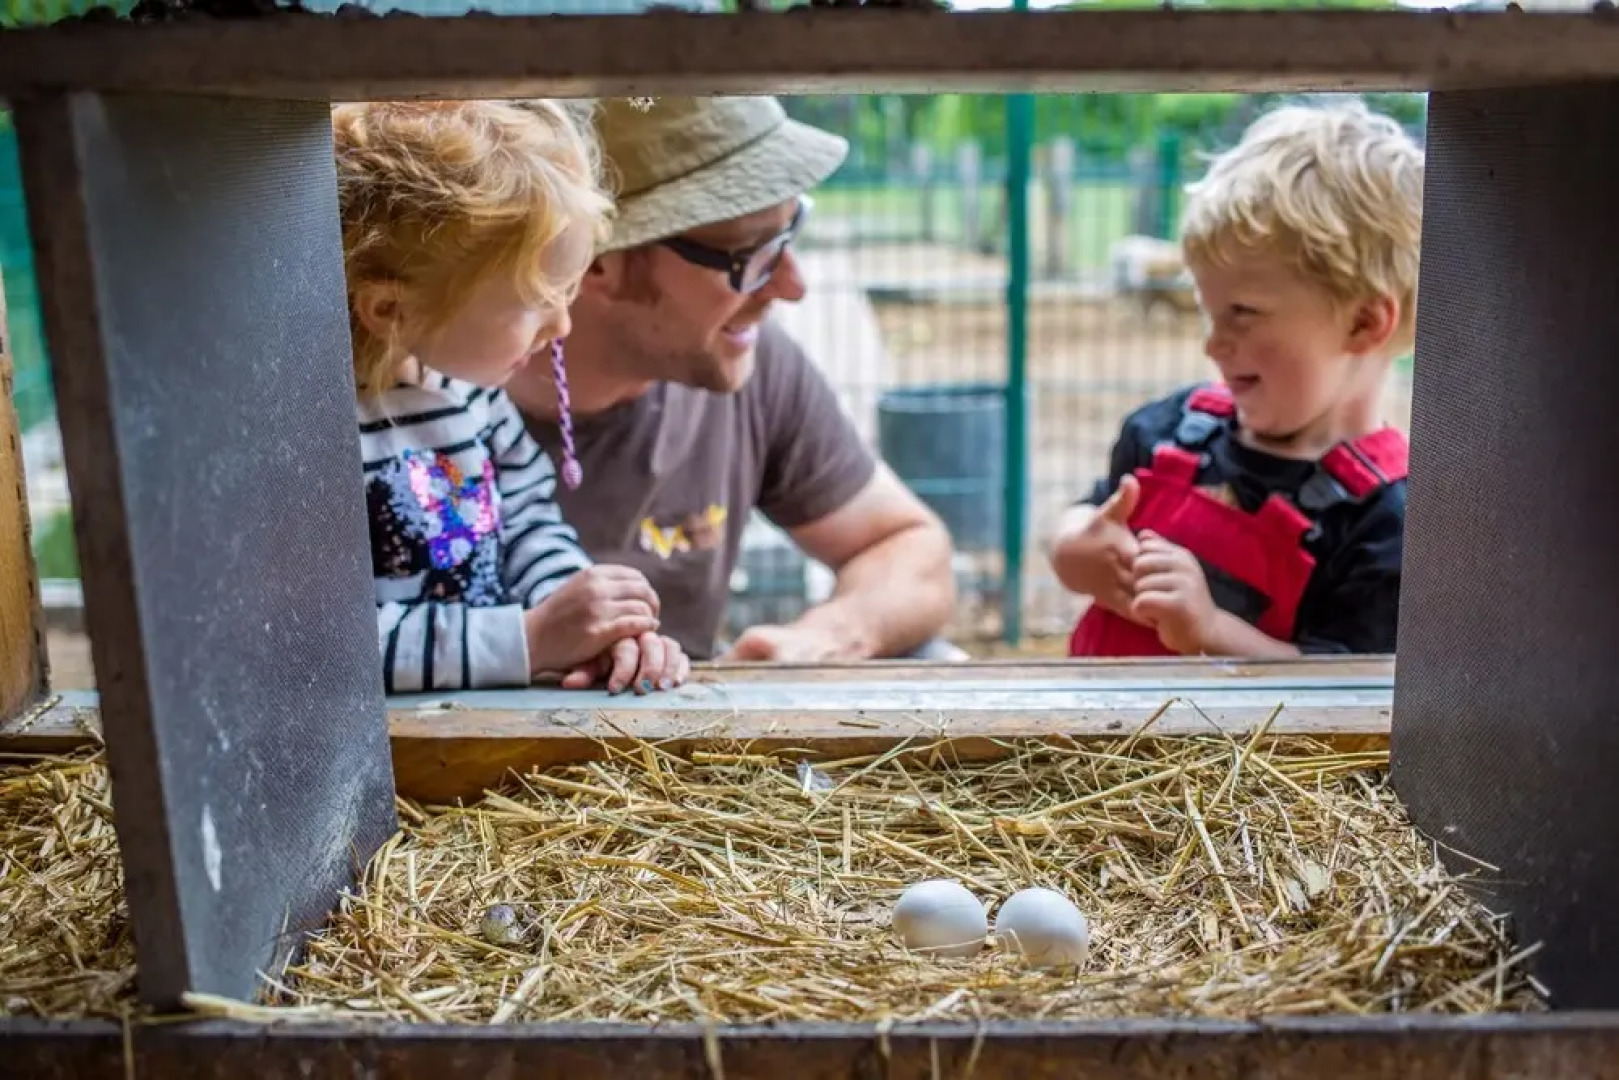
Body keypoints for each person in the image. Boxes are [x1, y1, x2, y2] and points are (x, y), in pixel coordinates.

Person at [504, 95, 960, 664]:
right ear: (596, 261)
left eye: (791, 233)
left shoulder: (749, 361)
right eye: (752, 255)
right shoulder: (435, 405)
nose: (792, 286)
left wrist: (828, 637)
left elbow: (910, 545)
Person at [333, 99, 690, 694]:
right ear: (393, 309)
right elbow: (316, 648)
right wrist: (528, 640)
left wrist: (590, 620)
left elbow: (526, 522)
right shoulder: (313, 434)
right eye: (536, 300)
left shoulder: (473, 401)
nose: (561, 327)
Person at [1050, 99, 1423, 658]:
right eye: (1209, 311)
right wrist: (1075, 546)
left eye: (1243, 313)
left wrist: (1210, 631)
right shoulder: (1169, 433)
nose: (1213, 344)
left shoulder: (1387, 523)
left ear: (1365, 322)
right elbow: (1086, 517)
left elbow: (1341, 696)